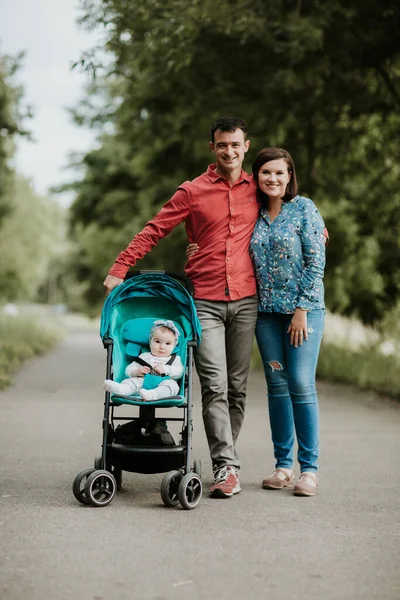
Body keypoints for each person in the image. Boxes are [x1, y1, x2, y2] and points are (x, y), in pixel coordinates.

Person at [103, 116, 259, 498]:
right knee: (215, 384)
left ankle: (225, 457)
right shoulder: (192, 191)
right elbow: (155, 228)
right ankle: (227, 465)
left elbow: (288, 210)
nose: (229, 151)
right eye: (222, 145)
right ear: (213, 148)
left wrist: (315, 225)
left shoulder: (259, 188)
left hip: (246, 300)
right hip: (203, 300)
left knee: (237, 389)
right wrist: (120, 266)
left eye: (235, 145)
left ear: (246, 146)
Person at [250, 147, 326, 497]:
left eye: (280, 172)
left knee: (300, 382)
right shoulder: (253, 213)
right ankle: (283, 466)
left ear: (290, 175)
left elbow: (315, 262)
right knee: (277, 385)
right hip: (266, 315)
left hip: (303, 314)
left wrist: (302, 310)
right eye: (266, 172)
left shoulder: (305, 209)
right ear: (257, 176)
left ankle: (308, 470)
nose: (273, 178)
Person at [104, 320, 183, 401]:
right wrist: (137, 371)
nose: (162, 347)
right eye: (157, 342)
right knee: (131, 382)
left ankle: (152, 394)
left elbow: (179, 372)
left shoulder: (175, 359)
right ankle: (121, 389)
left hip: (164, 382)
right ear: (150, 342)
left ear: (174, 346)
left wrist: (166, 369)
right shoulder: (144, 356)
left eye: (168, 344)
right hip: (142, 382)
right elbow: (128, 369)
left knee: (172, 387)